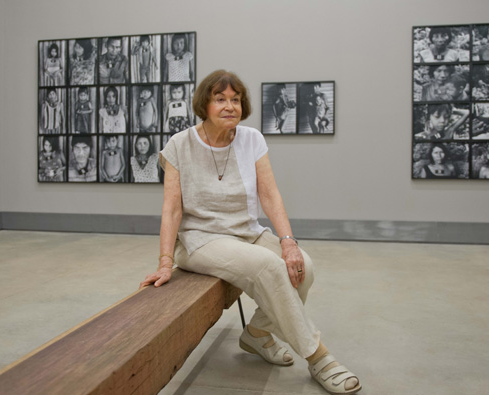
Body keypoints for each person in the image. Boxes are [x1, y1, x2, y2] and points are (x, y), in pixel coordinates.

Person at [139, 70, 362, 394]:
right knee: (268, 267)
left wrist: (288, 243)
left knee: (304, 267)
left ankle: (256, 334)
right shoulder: (179, 145)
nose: (230, 106)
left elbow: (270, 196)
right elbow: (172, 208)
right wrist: (164, 261)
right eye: (220, 99)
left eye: (236, 99)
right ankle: (318, 357)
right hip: (201, 239)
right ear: (204, 103)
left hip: (246, 231)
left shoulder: (252, 139)